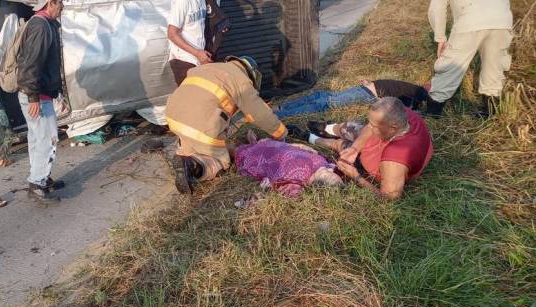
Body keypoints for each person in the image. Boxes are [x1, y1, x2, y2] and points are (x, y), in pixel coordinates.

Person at [165, 55, 288, 193]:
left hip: (173, 117)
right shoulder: (241, 80)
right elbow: (259, 113)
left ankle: (185, 155)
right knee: (221, 161)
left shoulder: (209, 68)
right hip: (200, 122)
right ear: (251, 73)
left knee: (191, 146)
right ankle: (196, 167)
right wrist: (281, 133)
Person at [288, 97, 433, 200]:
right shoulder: (403, 114)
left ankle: (310, 137)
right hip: (387, 140)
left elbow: (389, 197)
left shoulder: (394, 159)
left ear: (393, 127)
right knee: (351, 128)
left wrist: (356, 176)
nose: (370, 127)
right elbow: (369, 127)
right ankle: (328, 127)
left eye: (374, 126)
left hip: (379, 160)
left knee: (341, 145)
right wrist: (356, 148)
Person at [425, 0, 514, 117]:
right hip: (502, 21)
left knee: (451, 66)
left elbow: (436, 10)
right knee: (494, 67)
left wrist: (440, 38)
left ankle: (432, 114)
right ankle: (488, 113)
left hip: (470, 21)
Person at [17, 0, 66, 201]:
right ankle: (37, 182)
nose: (62, 7)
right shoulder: (41, 27)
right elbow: (31, 64)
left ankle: (40, 177)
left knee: (37, 138)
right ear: (50, 3)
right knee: (48, 139)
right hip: (36, 95)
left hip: (37, 93)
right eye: (60, 2)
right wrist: (33, 97)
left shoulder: (43, 24)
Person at [274, 78, 429, 118]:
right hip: (364, 89)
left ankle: (281, 114)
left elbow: (403, 110)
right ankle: (283, 108)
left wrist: (421, 112)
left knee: (325, 102)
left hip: (366, 94)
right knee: (322, 96)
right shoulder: (415, 91)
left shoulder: (418, 92)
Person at [167, 0, 214, 85]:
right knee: (191, 100)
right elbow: (172, 33)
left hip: (198, 59)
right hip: (183, 60)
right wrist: (197, 53)